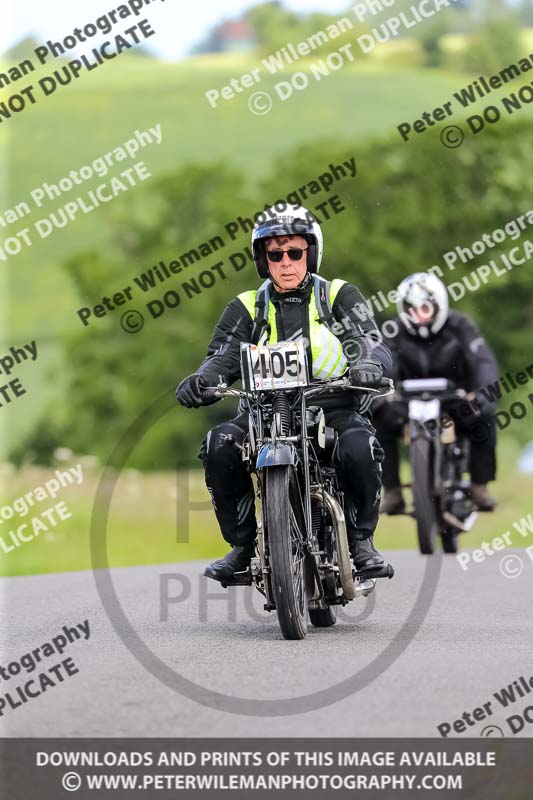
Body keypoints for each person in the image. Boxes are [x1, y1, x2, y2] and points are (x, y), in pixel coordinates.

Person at [176, 204, 393, 582]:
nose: (286, 262)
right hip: (264, 409)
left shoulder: (338, 295)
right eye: (275, 254)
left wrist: (369, 365)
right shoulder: (246, 306)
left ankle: (361, 542)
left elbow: (368, 340)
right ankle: (243, 547)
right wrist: (200, 380)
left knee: (359, 447)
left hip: (332, 403)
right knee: (219, 443)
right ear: (263, 260)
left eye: (295, 252)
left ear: (311, 253)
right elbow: (222, 356)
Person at [375, 272, 499, 515]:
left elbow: (483, 360)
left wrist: (484, 392)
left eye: (425, 307)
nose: (419, 314)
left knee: (484, 416)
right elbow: (382, 361)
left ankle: (479, 485)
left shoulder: (461, 326)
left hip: (455, 401)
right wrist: (376, 392)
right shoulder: (394, 330)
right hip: (409, 402)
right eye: (412, 308)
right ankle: (392, 491)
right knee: (376, 418)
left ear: (438, 305)